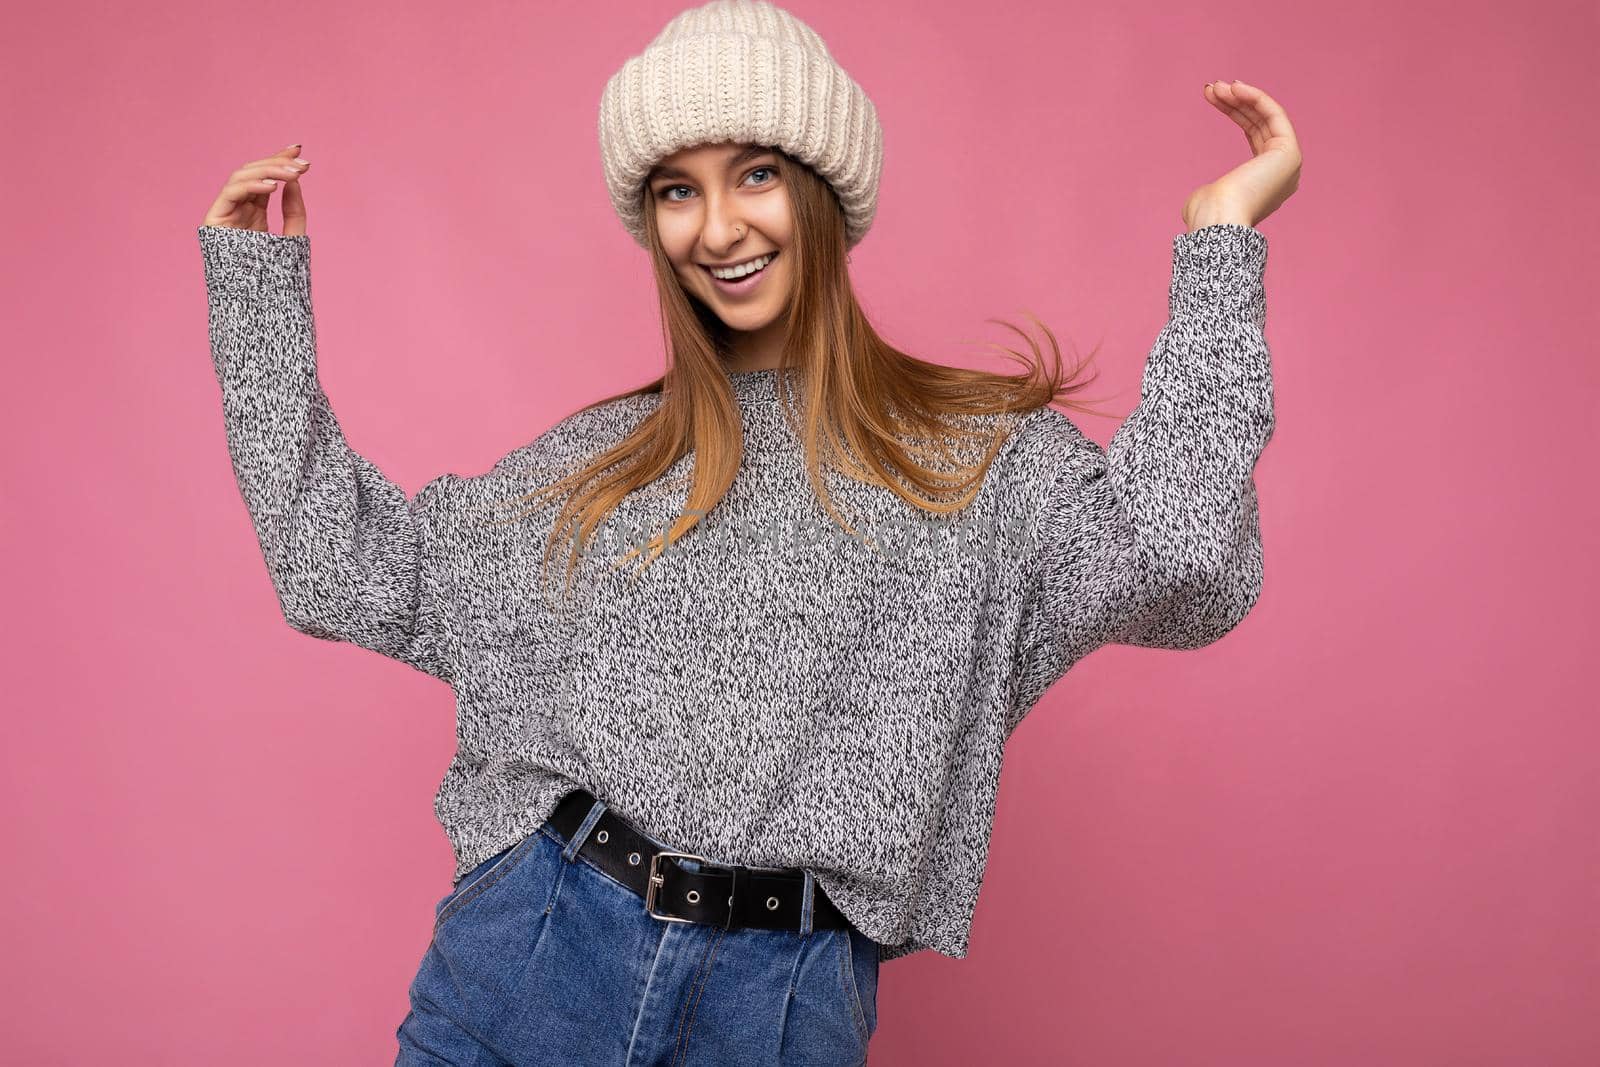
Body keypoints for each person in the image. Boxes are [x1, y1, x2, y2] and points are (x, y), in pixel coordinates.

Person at [194, 0, 1301, 1062]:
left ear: (823, 187)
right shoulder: (601, 464)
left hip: (782, 1008)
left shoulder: (975, 460)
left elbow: (1183, 561)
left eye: (756, 174)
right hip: (531, 961)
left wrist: (1219, 242)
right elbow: (339, 565)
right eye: (676, 190)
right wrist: (257, 306)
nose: (717, 227)